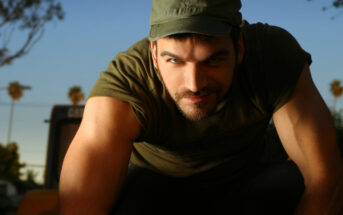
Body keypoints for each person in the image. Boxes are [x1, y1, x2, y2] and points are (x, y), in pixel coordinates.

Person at [59, 0, 343, 214]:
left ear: (239, 48)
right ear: (154, 55)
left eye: (213, 60)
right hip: (154, 193)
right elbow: (80, 207)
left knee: (294, 184)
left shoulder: (272, 57)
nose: (194, 84)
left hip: (246, 188)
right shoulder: (126, 86)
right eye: (175, 61)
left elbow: (324, 181)